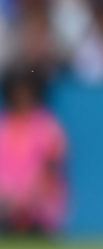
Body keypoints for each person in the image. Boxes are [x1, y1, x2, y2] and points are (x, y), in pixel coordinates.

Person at [0, 64, 68, 236]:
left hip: (39, 207)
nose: (22, 97)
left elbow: (53, 168)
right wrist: (8, 198)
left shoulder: (47, 125)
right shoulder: (4, 125)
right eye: (18, 91)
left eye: (27, 91)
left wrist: (29, 197)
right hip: (5, 206)